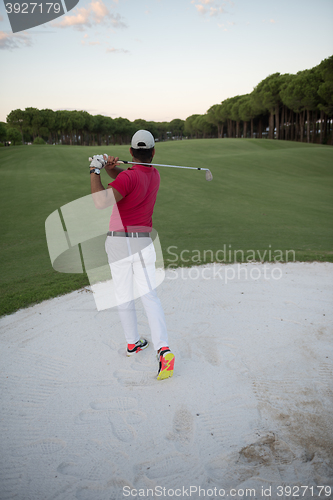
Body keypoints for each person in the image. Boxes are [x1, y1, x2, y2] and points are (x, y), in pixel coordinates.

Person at [89, 130, 175, 380]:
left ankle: (132, 343)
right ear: (153, 152)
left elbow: (100, 201)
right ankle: (163, 349)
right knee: (150, 296)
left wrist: (95, 170)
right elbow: (126, 180)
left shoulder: (129, 178)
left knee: (124, 294)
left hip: (118, 243)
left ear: (130, 152)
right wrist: (109, 168)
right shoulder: (154, 174)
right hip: (143, 243)